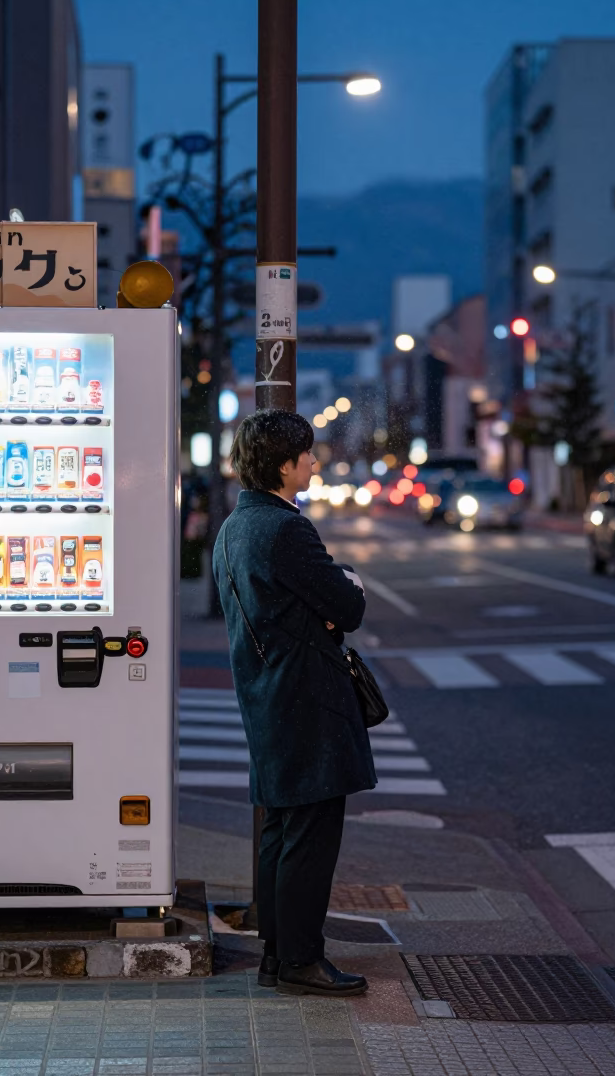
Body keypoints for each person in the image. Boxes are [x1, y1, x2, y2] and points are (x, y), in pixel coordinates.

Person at [214, 409, 376, 996]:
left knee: (280, 830)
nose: (312, 461)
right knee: (310, 835)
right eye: (305, 453)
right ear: (284, 465)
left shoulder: (233, 528)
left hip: (265, 696)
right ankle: (303, 959)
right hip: (306, 699)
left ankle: (277, 955)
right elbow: (347, 607)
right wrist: (349, 585)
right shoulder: (286, 529)